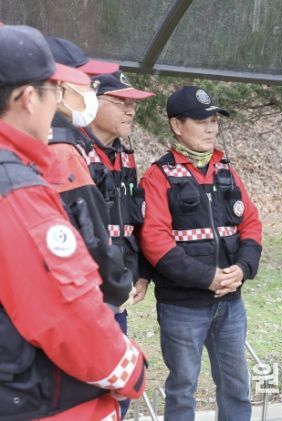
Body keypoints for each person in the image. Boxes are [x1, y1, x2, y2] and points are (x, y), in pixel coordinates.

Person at [0, 24, 147, 420]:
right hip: (42, 397)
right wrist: (130, 368)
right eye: (56, 89)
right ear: (28, 98)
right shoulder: (17, 188)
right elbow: (66, 314)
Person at [139, 85, 263, 420]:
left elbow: (251, 223)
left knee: (236, 386)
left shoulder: (226, 170)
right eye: (201, 121)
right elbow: (155, 242)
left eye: (214, 121)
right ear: (176, 125)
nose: (211, 128)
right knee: (183, 390)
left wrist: (243, 268)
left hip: (230, 303)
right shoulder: (158, 176)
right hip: (182, 307)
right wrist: (208, 278)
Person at [83, 69, 154, 417]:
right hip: (84, 297)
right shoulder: (72, 152)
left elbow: (131, 221)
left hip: (117, 294)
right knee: (85, 390)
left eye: (134, 105)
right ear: (91, 101)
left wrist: (140, 271)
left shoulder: (124, 154)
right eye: (120, 102)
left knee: (117, 389)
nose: (130, 111)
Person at [46, 35, 134, 312]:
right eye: (88, 83)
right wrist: (118, 286)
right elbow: (90, 234)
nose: (91, 92)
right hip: (74, 299)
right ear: (59, 88)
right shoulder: (61, 147)